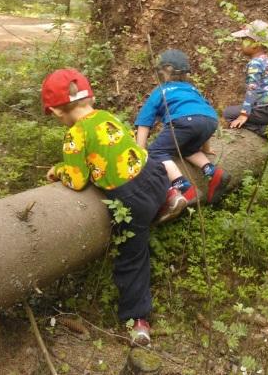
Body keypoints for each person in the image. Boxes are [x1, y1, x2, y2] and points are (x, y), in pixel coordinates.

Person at [42, 68, 173, 346]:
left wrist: (59, 170)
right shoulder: (107, 116)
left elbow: (78, 180)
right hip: (156, 176)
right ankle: (171, 195)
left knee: (132, 258)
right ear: (90, 97)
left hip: (131, 199)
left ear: (55, 111)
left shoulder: (75, 134)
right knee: (154, 169)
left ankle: (138, 321)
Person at [135, 49, 230, 212]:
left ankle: (184, 187)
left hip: (185, 121)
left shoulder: (161, 91)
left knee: (157, 152)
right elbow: (202, 113)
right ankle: (212, 172)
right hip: (210, 120)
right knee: (188, 148)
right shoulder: (191, 89)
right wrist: (206, 148)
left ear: (164, 71)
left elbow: (144, 123)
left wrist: (140, 152)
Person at [224, 20, 268, 138]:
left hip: (267, 110)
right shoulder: (265, 59)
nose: (241, 43)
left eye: (244, 40)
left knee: (229, 113)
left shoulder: (255, 63)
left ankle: (266, 132)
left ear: (256, 43)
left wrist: (244, 114)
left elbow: (252, 90)